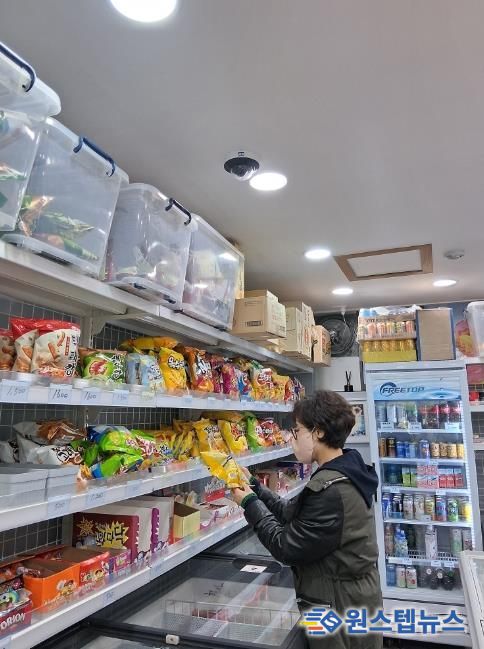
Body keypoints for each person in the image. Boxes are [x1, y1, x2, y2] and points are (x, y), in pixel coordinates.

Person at [231, 390, 383, 649]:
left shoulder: (332, 489)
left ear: (318, 432)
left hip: (341, 608)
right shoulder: (344, 471)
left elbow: (285, 547)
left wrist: (248, 503)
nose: (292, 438)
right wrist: (255, 487)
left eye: (297, 430)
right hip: (350, 598)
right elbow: (294, 513)